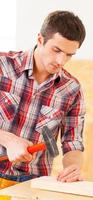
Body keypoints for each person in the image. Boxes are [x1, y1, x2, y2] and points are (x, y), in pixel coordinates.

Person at [0, 10, 86, 188]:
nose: (61, 60)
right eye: (56, 50)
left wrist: (73, 167)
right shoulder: (3, 67)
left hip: (32, 184)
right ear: (40, 39)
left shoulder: (71, 90)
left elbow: (73, 143)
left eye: (69, 55)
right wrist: (9, 140)